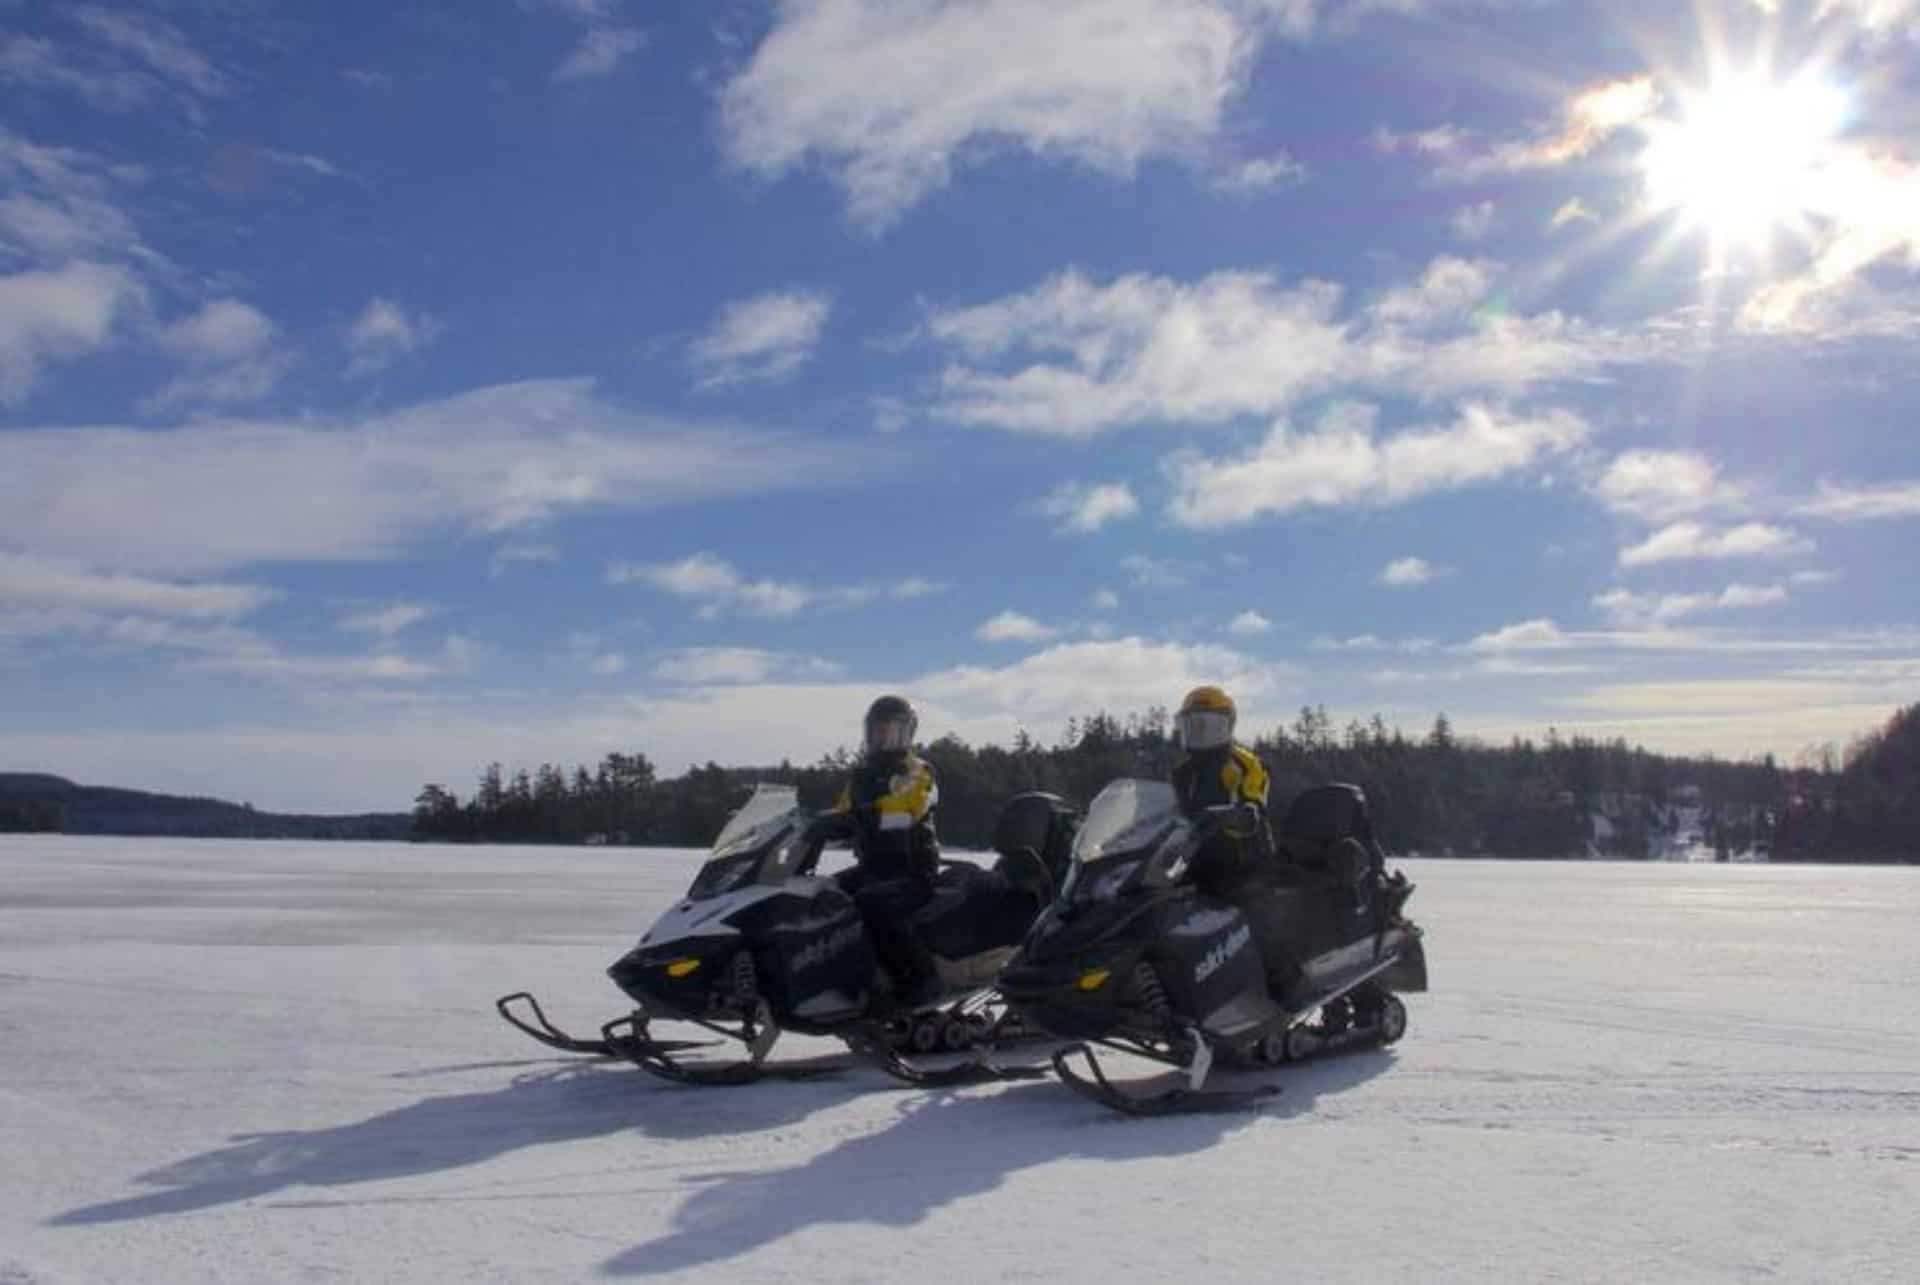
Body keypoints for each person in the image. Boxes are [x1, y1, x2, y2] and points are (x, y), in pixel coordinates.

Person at [813, 694, 943, 1005]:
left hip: (912, 868)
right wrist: (814, 825)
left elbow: (909, 806)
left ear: (907, 733)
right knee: (821, 896)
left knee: (874, 905)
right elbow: (844, 809)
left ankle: (918, 978)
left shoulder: (917, 771)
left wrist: (865, 817)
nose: (884, 737)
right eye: (878, 730)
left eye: (891, 730)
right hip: (873, 866)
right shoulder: (862, 776)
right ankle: (841, 974)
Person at [1170, 684, 1275, 895]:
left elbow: (1253, 799)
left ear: (1227, 725)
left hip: (1243, 865)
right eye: (1192, 725)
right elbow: (1166, 813)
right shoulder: (1182, 773)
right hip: (1191, 863)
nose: (1199, 731)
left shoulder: (1245, 764)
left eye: (1206, 724)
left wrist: (1243, 812)